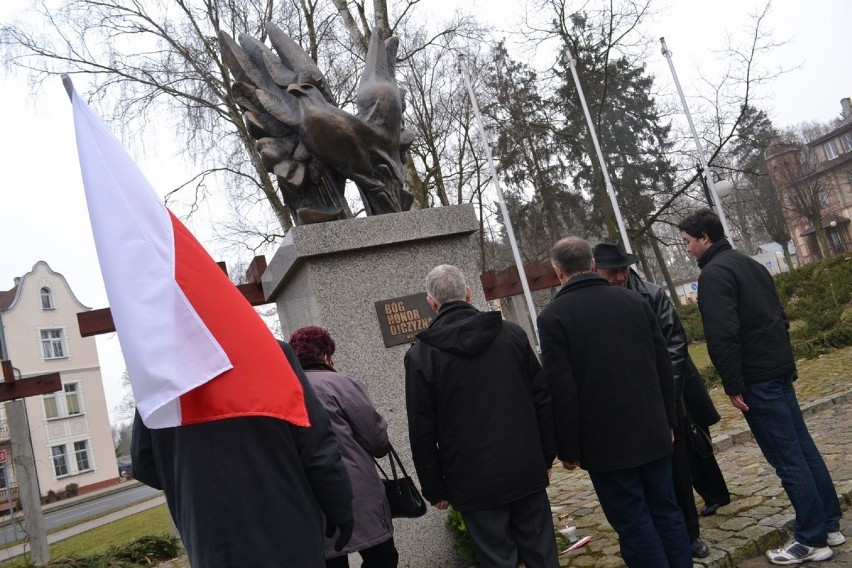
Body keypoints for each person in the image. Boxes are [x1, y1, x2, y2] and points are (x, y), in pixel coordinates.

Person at [678, 208, 845, 565]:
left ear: (705, 238)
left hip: (757, 378)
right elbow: (777, 315)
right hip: (777, 369)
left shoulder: (714, 275)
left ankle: (811, 539)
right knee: (803, 449)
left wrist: (733, 384)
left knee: (787, 459)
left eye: (689, 242)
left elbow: (722, 334)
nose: (688, 249)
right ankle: (828, 523)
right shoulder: (749, 264)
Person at [538, 237, 692, 568]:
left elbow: (561, 388)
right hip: (652, 430)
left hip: (605, 444)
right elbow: (663, 366)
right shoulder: (634, 302)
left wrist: (568, 449)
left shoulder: (553, 318)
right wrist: (668, 420)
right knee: (666, 511)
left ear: (557, 271)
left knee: (634, 521)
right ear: (593, 264)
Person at [132, 341, 354, 567]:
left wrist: (194, 483)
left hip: (210, 541)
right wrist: (340, 505)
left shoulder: (159, 371)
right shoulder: (270, 351)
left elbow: (144, 463)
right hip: (287, 529)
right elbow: (315, 444)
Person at [404, 264, 558, 568]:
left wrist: (434, 487)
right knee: (541, 554)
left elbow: (421, 429)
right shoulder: (511, 335)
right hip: (523, 465)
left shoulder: (422, 357)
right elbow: (542, 398)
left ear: (432, 303)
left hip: (471, 477)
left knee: (498, 559)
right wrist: (546, 455)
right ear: (468, 293)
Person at [593, 241, 729, 557]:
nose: (619, 277)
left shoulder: (652, 294)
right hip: (627, 405)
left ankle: (690, 533)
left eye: (622, 270)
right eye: (612, 272)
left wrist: (663, 393)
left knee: (679, 471)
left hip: (665, 400)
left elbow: (675, 346)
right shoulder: (602, 302)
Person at [290, 325, 399, 568]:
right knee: (382, 557)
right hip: (357, 492)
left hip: (309, 496)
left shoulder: (283, 390)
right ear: (326, 355)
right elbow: (376, 440)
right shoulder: (342, 383)